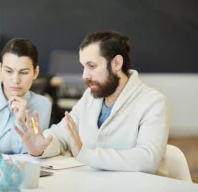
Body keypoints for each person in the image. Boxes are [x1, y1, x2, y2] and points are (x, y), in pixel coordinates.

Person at [14, 31, 169, 176]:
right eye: (84, 66)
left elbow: (149, 159)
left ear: (116, 63)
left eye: (92, 66)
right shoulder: (90, 96)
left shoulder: (152, 102)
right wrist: (40, 147)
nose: (85, 75)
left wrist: (85, 154)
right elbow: (62, 135)